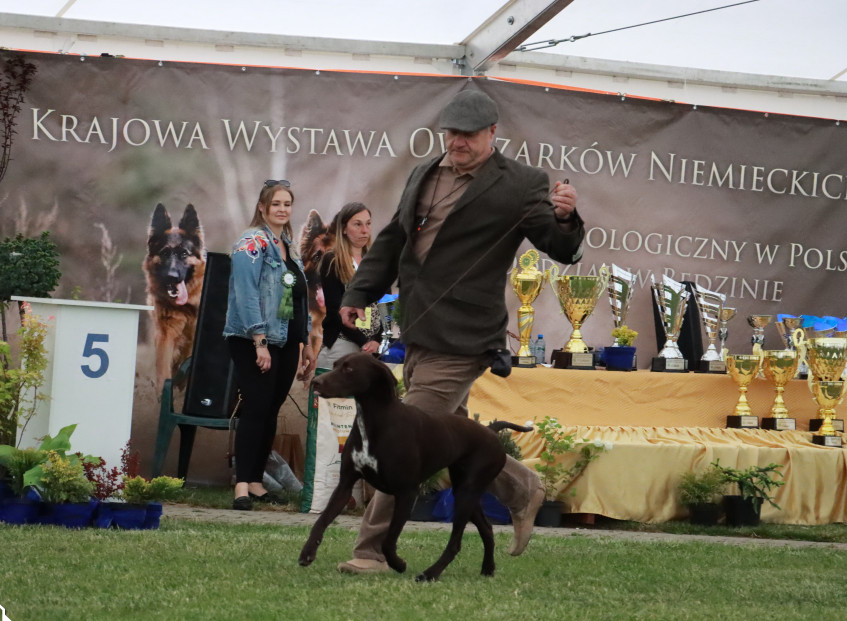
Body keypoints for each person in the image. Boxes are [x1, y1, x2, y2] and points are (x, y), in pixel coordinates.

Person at [336, 89, 586, 573]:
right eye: (450, 133)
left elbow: (560, 247)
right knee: (454, 440)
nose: (457, 143)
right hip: (420, 328)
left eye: (468, 135)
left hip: (467, 335)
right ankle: (522, 487)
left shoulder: (521, 183)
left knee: (400, 438)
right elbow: (393, 239)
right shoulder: (423, 172)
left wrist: (565, 217)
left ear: (492, 133)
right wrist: (358, 294)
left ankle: (371, 551)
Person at [223, 179, 316, 511]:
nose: (282, 209)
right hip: (254, 338)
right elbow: (246, 295)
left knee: (271, 411)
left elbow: (296, 298)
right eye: (276, 204)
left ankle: (258, 482)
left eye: (287, 204)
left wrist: (304, 342)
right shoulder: (250, 244)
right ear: (262, 207)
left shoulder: (288, 246)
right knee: (256, 408)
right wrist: (259, 340)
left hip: (287, 340)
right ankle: (241, 485)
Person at [316, 202, 382, 370]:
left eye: (368, 224)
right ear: (344, 229)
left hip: (374, 347)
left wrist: (377, 340)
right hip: (343, 341)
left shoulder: (377, 261)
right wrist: (364, 342)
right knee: (338, 396)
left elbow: (384, 306)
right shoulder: (332, 260)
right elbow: (334, 311)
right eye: (357, 224)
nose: (365, 230)